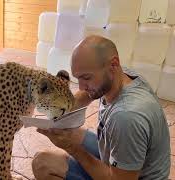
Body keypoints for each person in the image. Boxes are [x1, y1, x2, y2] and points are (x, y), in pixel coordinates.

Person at [32, 35, 170, 180]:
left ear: (113, 64)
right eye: (77, 78)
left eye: (86, 78)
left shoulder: (126, 117)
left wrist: (72, 149)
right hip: (126, 157)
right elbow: (83, 95)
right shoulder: (122, 76)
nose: (81, 86)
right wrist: (63, 114)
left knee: (42, 163)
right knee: (68, 131)